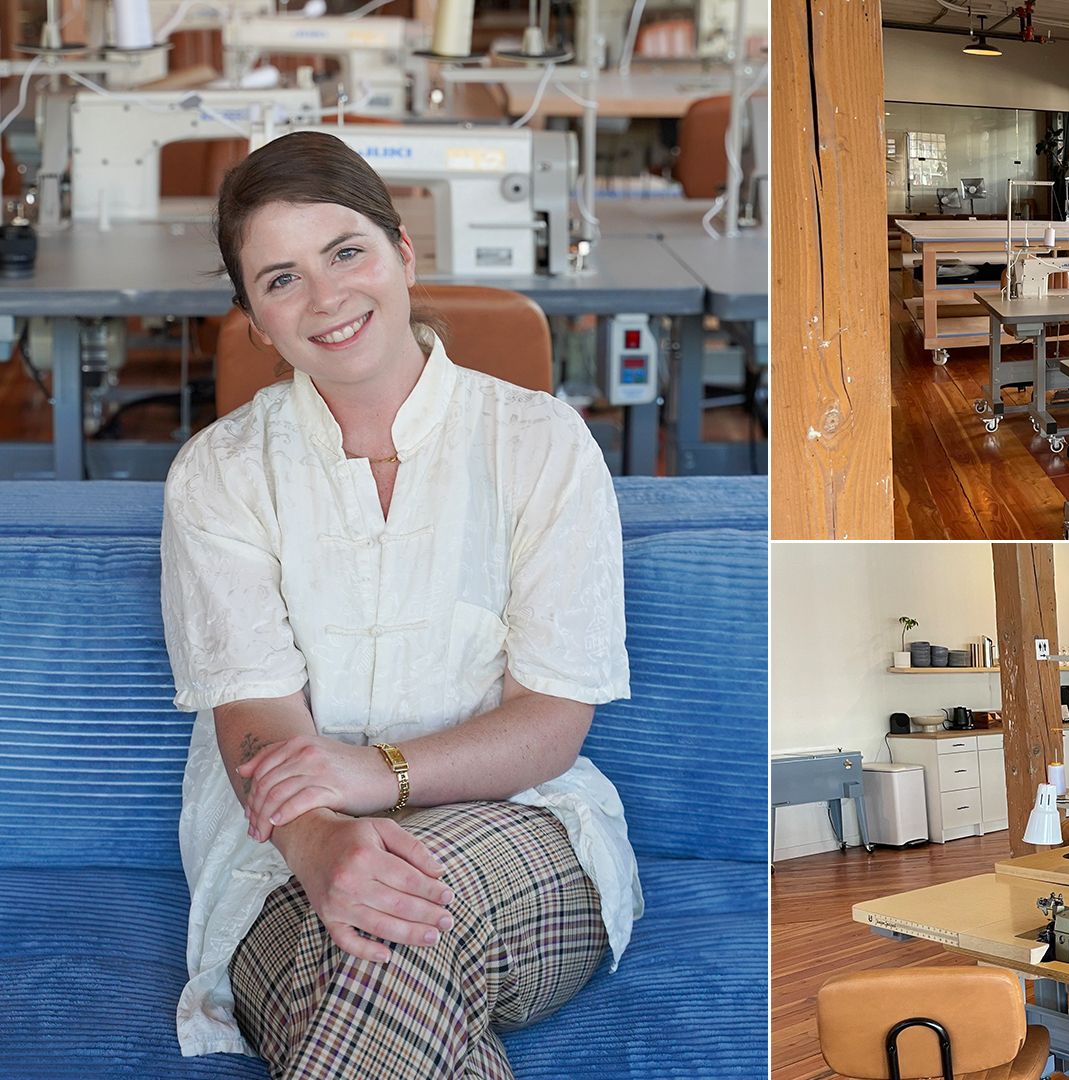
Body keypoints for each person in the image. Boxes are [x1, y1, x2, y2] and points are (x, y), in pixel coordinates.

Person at [159, 130, 638, 1078]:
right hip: (280, 865)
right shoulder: (217, 475)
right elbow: (255, 722)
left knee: (385, 935)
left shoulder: (540, 444)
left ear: (404, 253)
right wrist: (319, 841)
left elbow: (549, 723)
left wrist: (368, 776)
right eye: (281, 279)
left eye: (347, 253)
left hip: (524, 828)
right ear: (254, 318)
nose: (328, 298)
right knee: (374, 954)